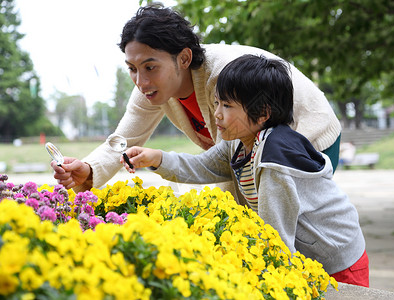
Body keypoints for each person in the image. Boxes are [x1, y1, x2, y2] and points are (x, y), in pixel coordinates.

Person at [121, 54, 368, 287]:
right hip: (310, 256)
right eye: (216, 102)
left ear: (262, 113)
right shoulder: (239, 142)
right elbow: (204, 166)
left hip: (338, 261)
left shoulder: (274, 163)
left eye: (227, 105)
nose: (216, 114)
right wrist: (157, 159)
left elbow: (276, 240)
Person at [51, 3, 341, 194]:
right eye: (132, 69)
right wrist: (88, 171)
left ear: (185, 58)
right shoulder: (151, 87)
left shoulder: (223, 77)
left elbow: (231, 164)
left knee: (291, 234)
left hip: (309, 136)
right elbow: (122, 140)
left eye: (150, 67)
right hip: (255, 152)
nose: (140, 81)